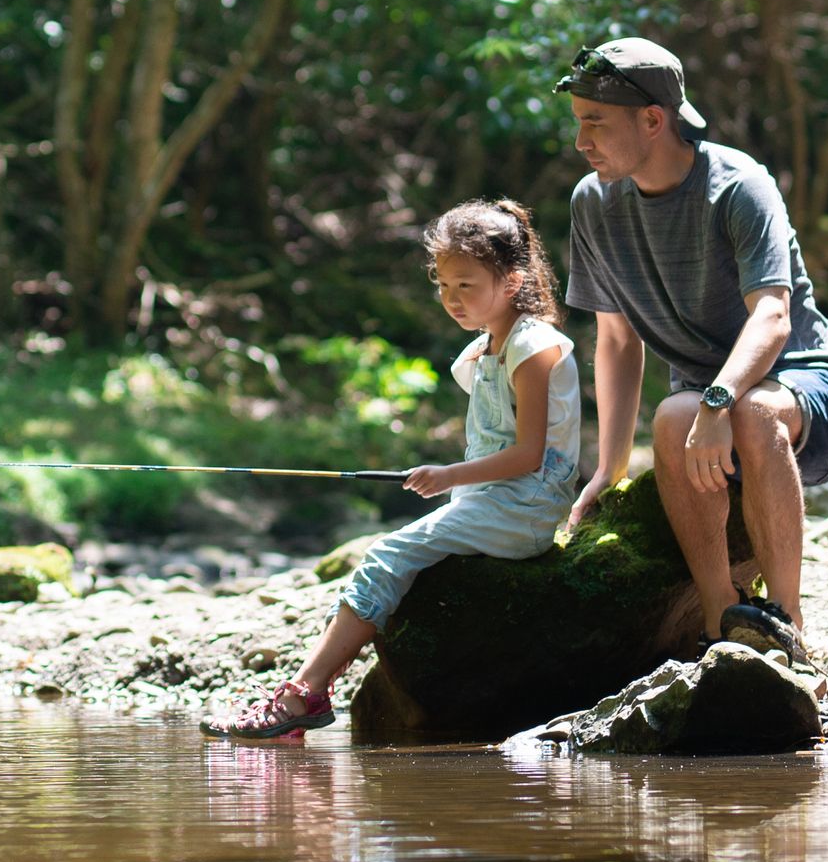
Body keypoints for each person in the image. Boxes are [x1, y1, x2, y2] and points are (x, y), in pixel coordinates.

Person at [209, 202, 582, 740]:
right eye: (445, 285)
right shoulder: (485, 348)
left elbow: (529, 455)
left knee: (386, 553)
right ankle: (306, 693)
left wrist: (450, 475)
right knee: (398, 556)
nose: (453, 300)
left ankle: (303, 697)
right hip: (492, 502)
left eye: (467, 286)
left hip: (525, 508)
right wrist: (458, 483)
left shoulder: (533, 346)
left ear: (512, 281)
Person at [556, 36, 828, 656]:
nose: (580, 141)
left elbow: (773, 318)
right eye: (578, 123)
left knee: (749, 410)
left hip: (808, 388)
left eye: (595, 123)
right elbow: (615, 342)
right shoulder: (593, 203)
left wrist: (718, 401)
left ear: (652, 120)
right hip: (703, 408)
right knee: (672, 415)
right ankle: (721, 621)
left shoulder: (738, 184)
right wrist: (611, 468)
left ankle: (788, 625)